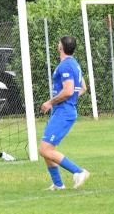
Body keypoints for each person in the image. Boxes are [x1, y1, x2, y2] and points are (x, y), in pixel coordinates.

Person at [40, 35, 89, 190]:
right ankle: (58, 184)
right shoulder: (74, 64)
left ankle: (79, 171)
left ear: (61, 47)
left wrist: (50, 102)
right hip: (63, 111)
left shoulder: (65, 66)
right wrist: (69, 98)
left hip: (63, 112)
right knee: (47, 149)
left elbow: (68, 91)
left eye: (58, 42)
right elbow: (82, 89)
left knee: (44, 150)